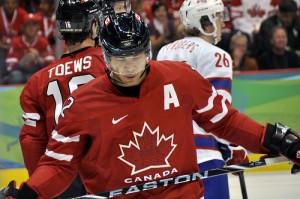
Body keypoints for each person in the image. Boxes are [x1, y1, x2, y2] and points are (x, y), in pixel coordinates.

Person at [1, 9, 300, 199]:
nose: (130, 68)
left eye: (136, 57)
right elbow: (58, 165)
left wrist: (276, 139)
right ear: (104, 57)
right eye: (120, 59)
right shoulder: (80, 104)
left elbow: (225, 121)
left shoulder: (181, 78)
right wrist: (29, 193)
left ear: (148, 51)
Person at [156, 0, 249, 198]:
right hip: (204, 155)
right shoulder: (217, 55)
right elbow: (219, 116)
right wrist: (234, 147)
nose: (223, 23)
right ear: (204, 21)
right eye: (218, 17)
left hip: (169, 156)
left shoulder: (164, 51)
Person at [16, 0, 105, 198]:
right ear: (94, 26)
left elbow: (32, 140)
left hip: (61, 174)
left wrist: (40, 187)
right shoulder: (111, 63)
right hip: (107, 166)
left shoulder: (37, 80)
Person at [4, 14, 55, 84]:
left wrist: (38, 57)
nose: (31, 28)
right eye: (28, 25)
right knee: (15, 76)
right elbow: (10, 67)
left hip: (39, 73)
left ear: (38, 27)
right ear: (23, 27)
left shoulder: (43, 42)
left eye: (33, 25)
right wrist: (25, 59)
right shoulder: (15, 42)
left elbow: (51, 65)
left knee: (49, 75)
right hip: (22, 74)